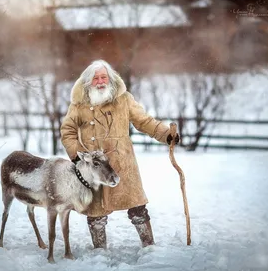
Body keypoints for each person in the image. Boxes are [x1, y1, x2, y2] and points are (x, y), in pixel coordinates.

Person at [60, 59, 180, 249]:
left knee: (137, 207)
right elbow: (68, 131)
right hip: (95, 168)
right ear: (88, 82)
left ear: (110, 78)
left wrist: (166, 135)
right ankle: (100, 252)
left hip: (122, 162)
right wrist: (77, 156)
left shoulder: (123, 99)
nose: (100, 81)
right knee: (96, 213)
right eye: (95, 78)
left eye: (103, 77)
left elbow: (144, 121)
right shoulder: (79, 104)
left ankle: (149, 247)